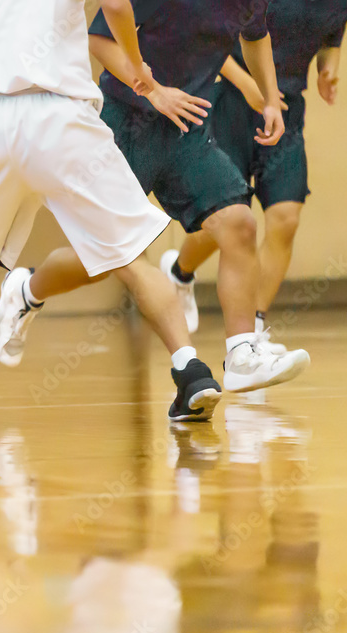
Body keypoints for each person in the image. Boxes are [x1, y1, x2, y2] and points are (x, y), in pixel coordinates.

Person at [0, 0, 223, 423]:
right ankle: (190, 370)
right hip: (61, 116)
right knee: (128, 258)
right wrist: (138, 66)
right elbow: (117, 5)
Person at [82, 0, 311, 393]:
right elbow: (100, 41)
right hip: (128, 123)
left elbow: (256, 37)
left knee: (240, 223)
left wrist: (271, 99)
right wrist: (154, 91)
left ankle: (241, 357)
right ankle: (30, 289)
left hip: (187, 131)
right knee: (100, 255)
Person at [161, 0, 347, 350]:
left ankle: (255, 329)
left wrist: (328, 69)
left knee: (286, 219)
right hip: (230, 105)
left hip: (286, 113)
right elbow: (208, 38)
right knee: (225, 222)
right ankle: (179, 272)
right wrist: (249, 85)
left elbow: (331, 37)